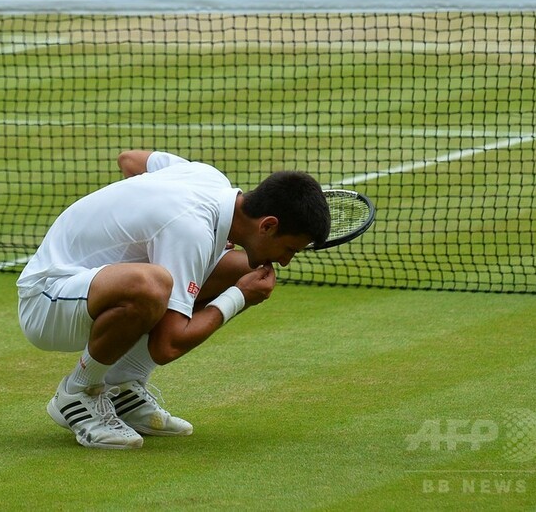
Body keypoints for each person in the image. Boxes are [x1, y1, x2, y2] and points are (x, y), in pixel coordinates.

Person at [17, 150, 330, 449]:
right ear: (268, 225)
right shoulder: (192, 230)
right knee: (152, 285)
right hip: (47, 299)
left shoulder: (208, 178)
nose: (285, 261)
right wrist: (240, 297)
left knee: (235, 268)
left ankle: (122, 385)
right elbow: (167, 346)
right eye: (289, 249)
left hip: (89, 288)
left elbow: (131, 160)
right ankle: (78, 391)